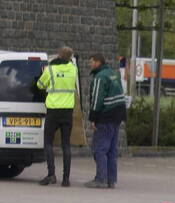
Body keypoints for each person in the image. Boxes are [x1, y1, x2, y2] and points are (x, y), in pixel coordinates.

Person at [36, 46, 78, 186]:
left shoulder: (51, 70)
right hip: (67, 111)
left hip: (53, 110)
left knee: (48, 143)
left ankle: (51, 174)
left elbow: (40, 85)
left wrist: (46, 70)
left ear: (59, 56)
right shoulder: (73, 69)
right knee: (66, 145)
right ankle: (66, 179)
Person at [84, 53, 127, 189]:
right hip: (118, 114)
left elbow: (97, 99)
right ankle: (111, 180)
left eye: (91, 62)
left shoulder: (100, 77)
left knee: (100, 148)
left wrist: (93, 119)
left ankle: (100, 179)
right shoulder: (113, 73)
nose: (90, 65)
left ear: (97, 62)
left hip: (106, 115)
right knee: (112, 150)